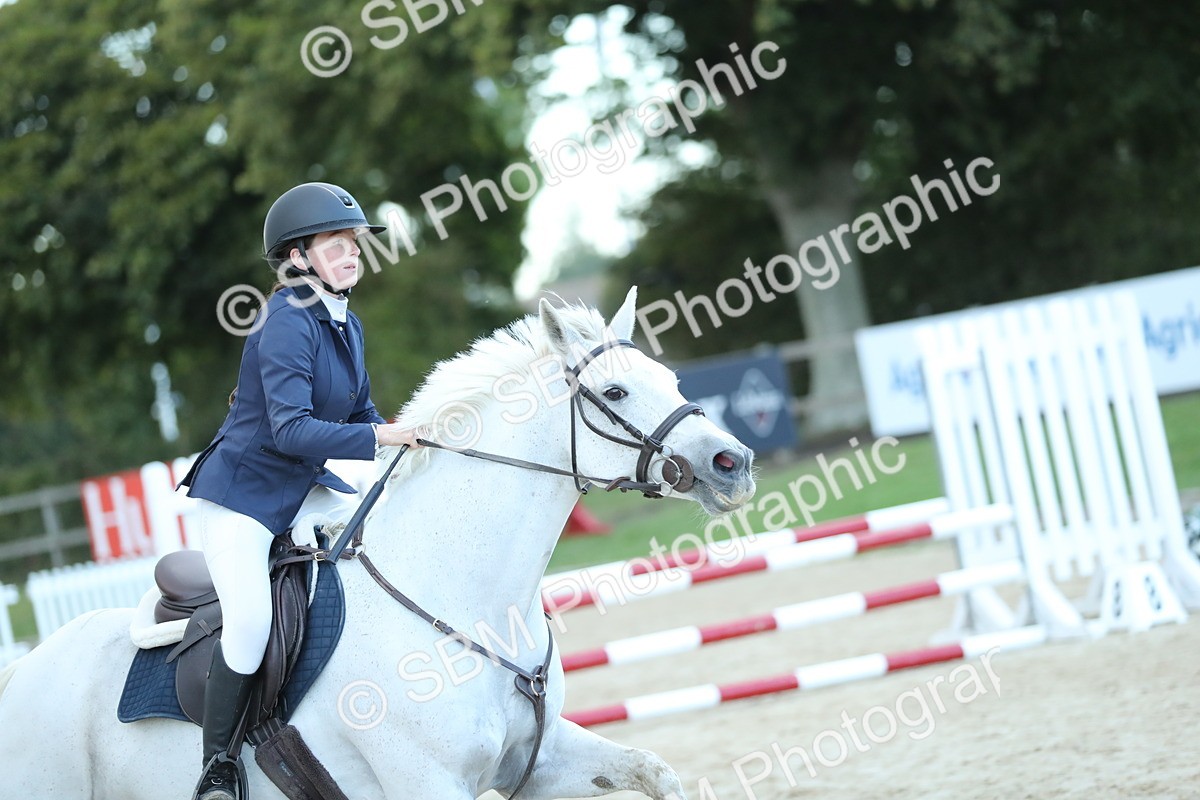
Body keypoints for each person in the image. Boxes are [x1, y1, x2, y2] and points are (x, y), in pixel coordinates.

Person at [179, 182, 421, 800]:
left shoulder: (345, 322)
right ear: (296, 259)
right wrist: (384, 436)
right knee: (251, 623)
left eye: (355, 246)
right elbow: (289, 429)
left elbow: (362, 410)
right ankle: (218, 769)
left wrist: (414, 435)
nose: (353, 256)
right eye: (338, 246)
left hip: (303, 485)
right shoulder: (285, 322)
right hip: (244, 497)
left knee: (382, 531)